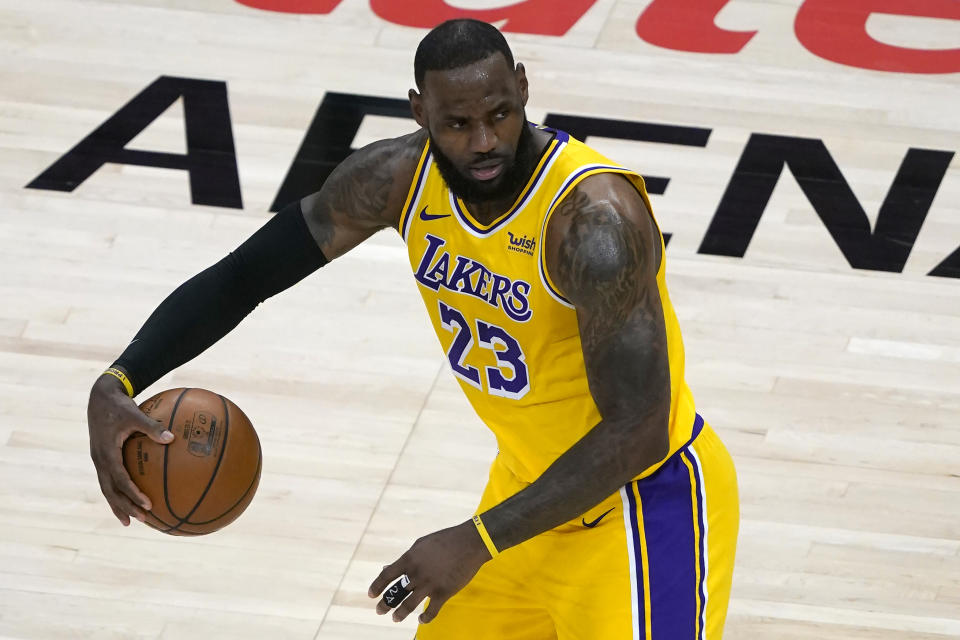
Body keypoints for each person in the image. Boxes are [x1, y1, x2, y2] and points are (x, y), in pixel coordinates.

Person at [87, 18, 739, 639]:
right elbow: (246, 276)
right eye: (458, 123)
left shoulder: (593, 223)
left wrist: (476, 540)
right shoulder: (396, 179)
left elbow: (640, 430)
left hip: (643, 511)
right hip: (530, 490)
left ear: (523, 87)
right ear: (418, 112)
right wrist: (121, 379)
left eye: (500, 115)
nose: (485, 141)